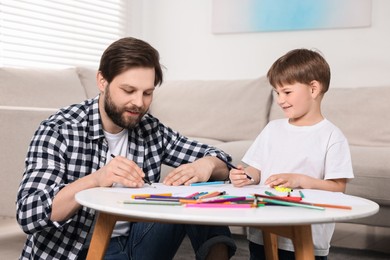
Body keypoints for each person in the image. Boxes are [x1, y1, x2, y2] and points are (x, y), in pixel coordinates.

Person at [16, 37, 236, 260]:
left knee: (201, 182)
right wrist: (96, 179)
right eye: (129, 90)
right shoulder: (60, 129)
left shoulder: (150, 129)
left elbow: (223, 161)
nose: (139, 103)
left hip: (136, 245)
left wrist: (205, 166)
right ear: (102, 81)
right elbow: (28, 213)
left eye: (147, 93)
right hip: (75, 252)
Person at [229, 49, 354, 260]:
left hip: (306, 237)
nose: (280, 100)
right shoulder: (272, 129)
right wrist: (245, 176)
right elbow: (256, 169)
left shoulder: (332, 136)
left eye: (286, 92)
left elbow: (338, 187)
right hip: (263, 230)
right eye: (277, 93)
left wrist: (301, 180)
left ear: (313, 89)